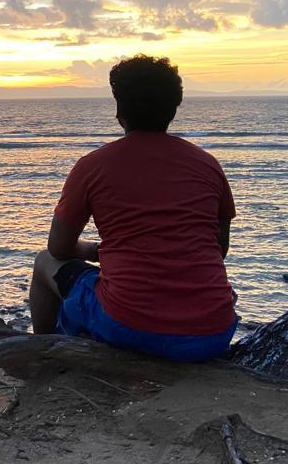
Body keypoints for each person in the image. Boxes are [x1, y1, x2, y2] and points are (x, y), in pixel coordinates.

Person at [28, 54, 238, 361]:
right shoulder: (207, 165)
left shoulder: (92, 167)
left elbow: (58, 248)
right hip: (213, 332)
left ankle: (41, 356)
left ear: (119, 111)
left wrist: (94, 251)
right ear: (173, 109)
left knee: (44, 262)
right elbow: (219, 248)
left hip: (130, 327)